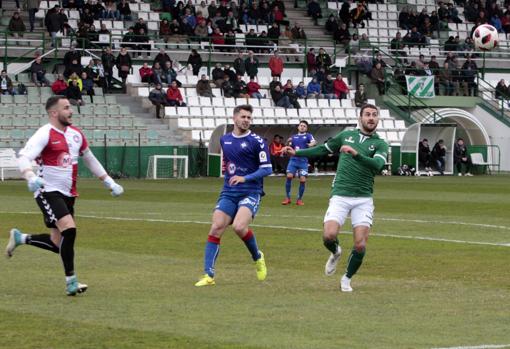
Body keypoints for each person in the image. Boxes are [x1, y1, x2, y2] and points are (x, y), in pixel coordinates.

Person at [5, 96, 124, 296]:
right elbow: (24, 157)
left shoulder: (76, 134)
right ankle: (71, 281)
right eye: (66, 108)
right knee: (70, 230)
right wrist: (30, 176)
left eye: (70, 107)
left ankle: (21, 238)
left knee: (57, 242)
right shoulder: (44, 133)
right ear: (54, 113)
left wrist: (109, 181)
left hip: (69, 193)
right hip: (47, 190)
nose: (71, 111)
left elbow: (90, 158)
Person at [283, 104, 388, 292]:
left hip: (363, 198)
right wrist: (297, 152)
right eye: (367, 115)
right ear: (360, 118)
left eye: (374, 115)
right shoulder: (346, 136)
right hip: (340, 194)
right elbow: (323, 149)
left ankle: (346, 278)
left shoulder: (380, 143)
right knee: (329, 235)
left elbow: (378, 165)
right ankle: (335, 251)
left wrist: (356, 155)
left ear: (378, 119)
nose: (371, 118)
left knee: (360, 245)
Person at [195, 105, 270, 287]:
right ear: (234, 118)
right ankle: (208, 275)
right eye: (243, 116)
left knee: (238, 227)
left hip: (251, 191)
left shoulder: (257, 141)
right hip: (229, 192)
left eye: (249, 117)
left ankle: (257, 256)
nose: (246, 120)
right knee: (215, 228)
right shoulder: (225, 140)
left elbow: (267, 169)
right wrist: (228, 171)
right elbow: (229, 163)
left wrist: (245, 178)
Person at [281, 120, 316, 206]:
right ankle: (287, 198)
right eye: (301, 125)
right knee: (289, 176)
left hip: (303, 161)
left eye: (304, 126)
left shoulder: (308, 135)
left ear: (306, 128)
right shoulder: (293, 137)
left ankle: (299, 199)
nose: (302, 127)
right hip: (293, 160)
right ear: (298, 127)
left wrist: (311, 145)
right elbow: (288, 146)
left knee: (303, 179)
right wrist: (286, 144)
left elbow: (314, 142)